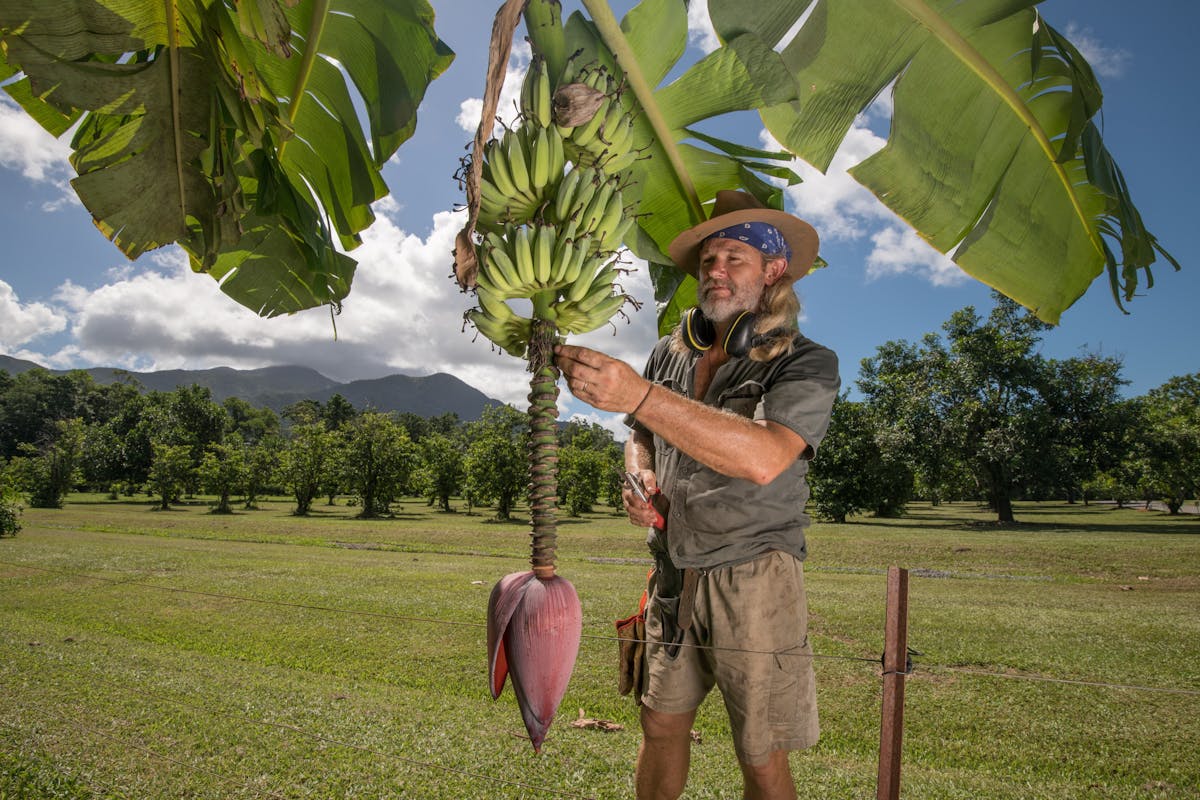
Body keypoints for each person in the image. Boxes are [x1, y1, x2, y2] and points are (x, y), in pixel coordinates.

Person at [554, 191, 840, 800]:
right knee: (658, 722)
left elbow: (764, 458)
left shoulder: (807, 363)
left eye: (734, 257)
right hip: (672, 571)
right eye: (708, 258)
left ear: (774, 270)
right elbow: (641, 433)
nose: (714, 270)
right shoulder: (669, 352)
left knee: (760, 754)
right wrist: (639, 477)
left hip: (754, 577)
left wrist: (636, 395)